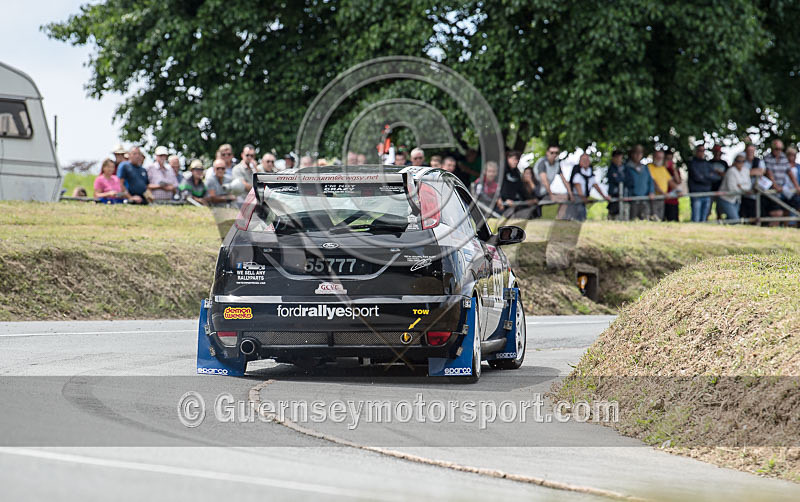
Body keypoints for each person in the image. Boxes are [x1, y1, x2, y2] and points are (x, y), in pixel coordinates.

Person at [569, 153, 611, 221]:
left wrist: (604, 196)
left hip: (584, 198)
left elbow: (595, 185)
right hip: (577, 198)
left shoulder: (590, 172)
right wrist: (583, 198)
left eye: (587, 160)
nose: (586, 162)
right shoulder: (577, 172)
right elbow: (578, 186)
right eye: (583, 160)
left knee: (583, 214)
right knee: (579, 214)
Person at [534, 144, 572, 219]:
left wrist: (571, 194)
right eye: (552, 152)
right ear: (547, 152)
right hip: (535, 193)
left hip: (545, 193)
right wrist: (551, 195)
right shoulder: (542, 163)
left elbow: (564, 180)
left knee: (565, 198)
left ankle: (558, 219)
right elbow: (544, 181)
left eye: (556, 153)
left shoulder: (557, 164)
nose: (554, 155)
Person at [687, 144, 720, 222]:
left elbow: (716, 177)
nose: (701, 153)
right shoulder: (692, 163)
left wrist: (704, 176)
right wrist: (708, 176)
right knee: (696, 218)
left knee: (704, 219)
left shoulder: (707, 164)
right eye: (700, 151)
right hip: (696, 194)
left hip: (707, 193)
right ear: (696, 151)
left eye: (703, 151)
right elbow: (697, 177)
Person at [500, 151, 538, 216]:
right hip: (502, 202)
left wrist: (529, 199)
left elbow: (521, 188)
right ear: (508, 158)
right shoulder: (501, 170)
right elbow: (498, 187)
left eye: (518, 160)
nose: (516, 161)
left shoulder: (516, 173)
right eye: (514, 159)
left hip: (513, 202)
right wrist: (503, 199)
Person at [763, 139, 792, 226]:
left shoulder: (784, 157)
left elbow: (789, 172)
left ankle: (787, 229)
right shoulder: (767, 158)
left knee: (791, 206)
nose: (778, 151)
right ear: (772, 148)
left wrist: (797, 186)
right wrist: (775, 185)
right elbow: (769, 173)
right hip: (772, 190)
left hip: (782, 188)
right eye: (776, 148)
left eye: (780, 149)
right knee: (777, 213)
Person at [624, 145, 655, 220]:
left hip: (645, 198)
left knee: (645, 219)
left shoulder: (645, 168)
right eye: (636, 153)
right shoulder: (627, 168)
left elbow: (650, 181)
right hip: (633, 199)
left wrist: (651, 191)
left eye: (640, 153)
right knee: (633, 220)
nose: (638, 155)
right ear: (632, 154)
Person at [717, 152, 751, 221]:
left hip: (736, 199)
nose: (741, 163)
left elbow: (748, 185)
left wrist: (740, 186)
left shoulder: (746, 170)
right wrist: (744, 189)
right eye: (739, 161)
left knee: (732, 219)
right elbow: (732, 189)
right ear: (735, 161)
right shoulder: (731, 171)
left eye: (743, 161)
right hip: (726, 198)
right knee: (735, 219)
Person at [647, 149, 671, 221]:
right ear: (653, 157)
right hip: (654, 197)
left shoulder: (663, 168)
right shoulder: (649, 167)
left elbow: (670, 181)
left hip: (661, 198)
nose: (659, 159)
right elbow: (653, 183)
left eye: (661, 157)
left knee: (659, 218)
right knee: (654, 218)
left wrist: (679, 190)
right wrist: (664, 193)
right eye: (657, 157)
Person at [740, 144, 763, 220]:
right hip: (743, 193)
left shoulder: (759, 161)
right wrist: (751, 172)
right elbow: (739, 173)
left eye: (752, 151)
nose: (750, 153)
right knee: (743, 214)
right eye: (749, 151)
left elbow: (762, 171)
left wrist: (745, 173)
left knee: (754, 213)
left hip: (755, 192)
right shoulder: (741, 161)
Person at [605, 150, 626, 220]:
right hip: (614, 195)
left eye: (620, 157)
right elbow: (613, 181)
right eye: (616, 157)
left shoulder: (625, 168)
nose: (618, 159)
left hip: (625, 195)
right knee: (613, 215)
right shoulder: (611, 169)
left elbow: (628, 181)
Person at [709, 144, 729, 219]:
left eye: (718, 152)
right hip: (711, 188)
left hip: (721, 188)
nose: (717, 154)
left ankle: (719, 220)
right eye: (715, 152)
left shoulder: (724, 163)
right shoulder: (709, 163)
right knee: (708, 207)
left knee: (720, 209)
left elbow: (727, 175)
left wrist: (720, 173)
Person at [663, 150, 682, 221]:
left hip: (673, 201)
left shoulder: (674, 170)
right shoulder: (661, 170)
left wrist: (674, 170)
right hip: (663, 200)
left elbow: (678, 181)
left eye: (671, 159)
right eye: (667, 159)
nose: (669, 161)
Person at [782, 146, 800, 213]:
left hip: (796, 192)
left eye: (794, 155)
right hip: (784, 191)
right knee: (785, 210)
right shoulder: (783, 165)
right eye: (790, 155)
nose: (792, 157)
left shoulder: (798, 167)